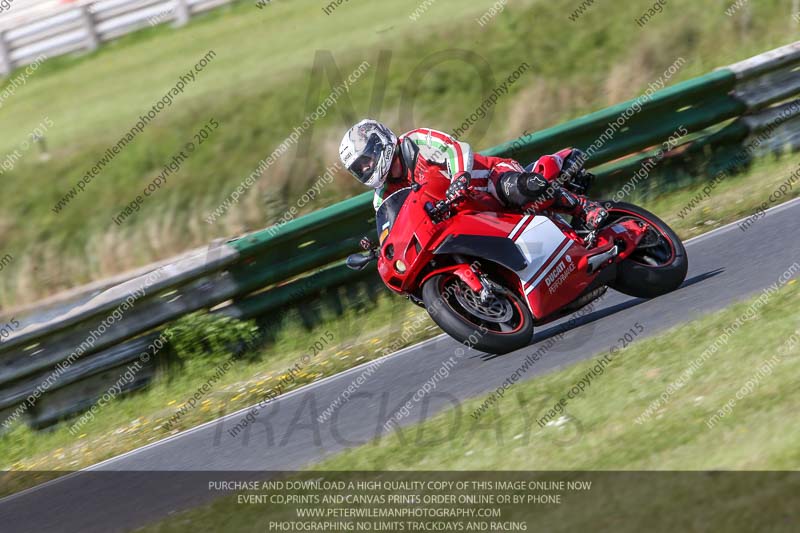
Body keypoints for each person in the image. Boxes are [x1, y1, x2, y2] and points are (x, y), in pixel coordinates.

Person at [338, 119, 608, 238]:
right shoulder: (382, 197)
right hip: (464, 216)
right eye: (359, 168)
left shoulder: (415, 142)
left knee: (517, 189)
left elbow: (456, 148)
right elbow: (393, 227)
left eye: (367, 159)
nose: (367, 167)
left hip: (488, 179)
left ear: (379, 142)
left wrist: (459, 178)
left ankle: (585, 208)